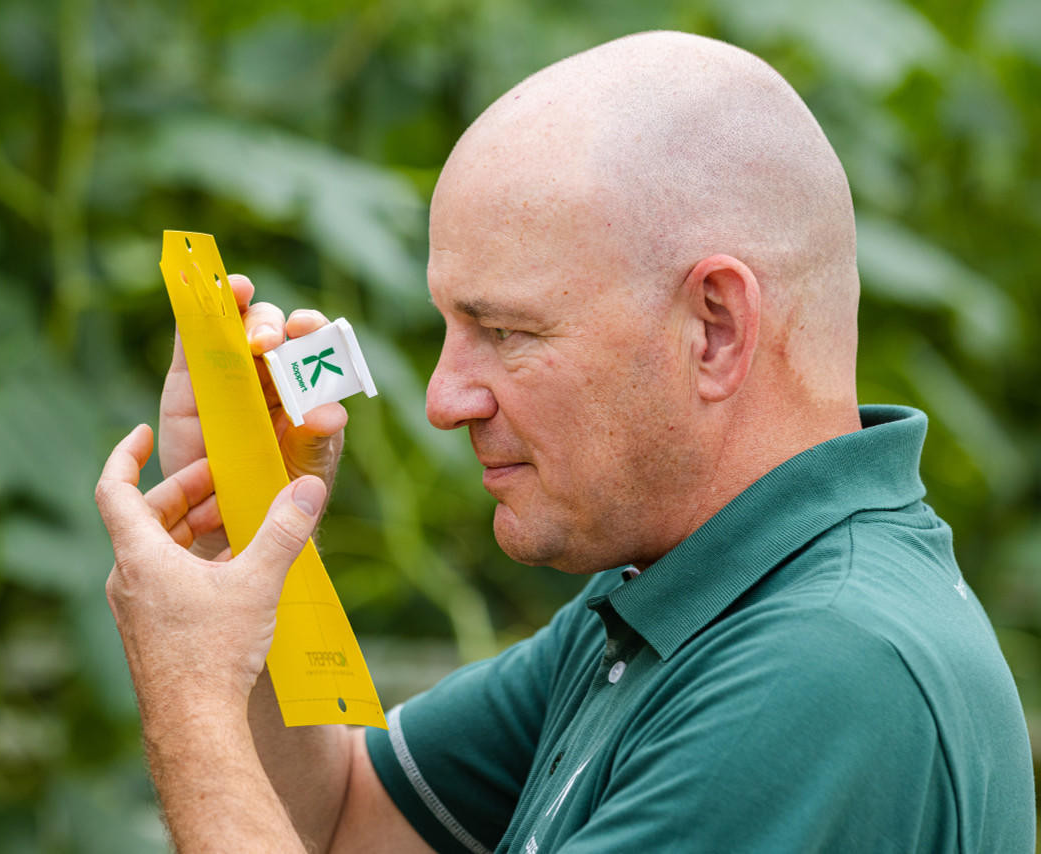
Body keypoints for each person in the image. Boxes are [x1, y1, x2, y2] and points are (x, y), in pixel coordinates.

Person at [94, 30, 1035, 853]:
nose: (443, 399)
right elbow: (338, 823)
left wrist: (194, 704)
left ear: (713, 326)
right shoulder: (675, 599)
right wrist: (245, 531)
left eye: (505, 332)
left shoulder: (822, 673)